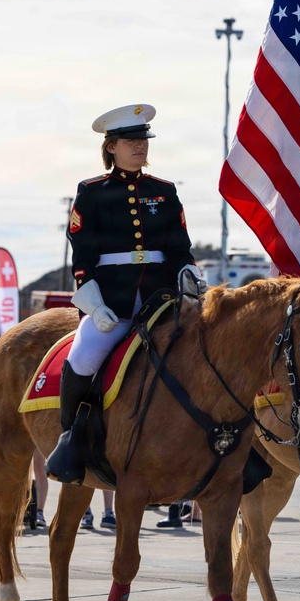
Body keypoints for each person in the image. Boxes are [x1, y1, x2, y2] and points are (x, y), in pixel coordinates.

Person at [45, 104, 205, 485]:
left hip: (162, 299)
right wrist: (93, 301)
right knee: (83, 356)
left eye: (143, 140)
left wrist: (189, 273)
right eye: (131, 141)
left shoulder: (164, 191)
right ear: (111, 146)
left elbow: (180, 247)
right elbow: (82, 255)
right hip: (112, 301)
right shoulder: (92, 192)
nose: (140, 147)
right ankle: (71, 439)